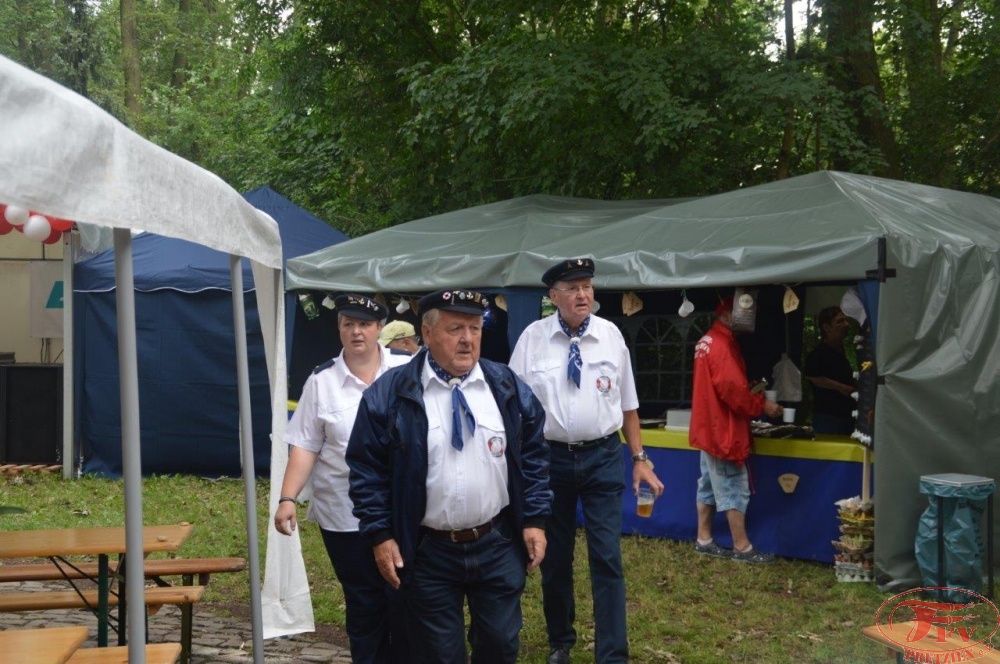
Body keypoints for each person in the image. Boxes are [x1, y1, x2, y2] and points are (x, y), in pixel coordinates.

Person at [346, 288, 552, 664]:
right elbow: (366, 471)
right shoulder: (389, 396)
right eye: (456, 329)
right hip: (429, 552)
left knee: (501, 647)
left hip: (496, 543)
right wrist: (380, 534)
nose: (468, 339)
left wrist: (535, 519)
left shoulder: (504, 386)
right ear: (427, 334)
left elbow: (535, 453)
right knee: (440, 655)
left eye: (475, 328)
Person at [509, 258, 663, 664]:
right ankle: (561, 642)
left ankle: (612, 654)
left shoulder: (611, 336)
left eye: (587, 286)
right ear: (553, 296)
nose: (582, 294)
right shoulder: (532, 339)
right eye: (573, 287)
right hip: (548, 462)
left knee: (607, 556)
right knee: (554, 558)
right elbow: (514, 409)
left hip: (602, 458)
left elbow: (628, 405)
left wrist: (640, 458)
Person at [274, 293, 412, 664]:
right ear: (339, 329)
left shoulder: (408, 368)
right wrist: (288, 498)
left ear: (380, 328)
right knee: (364, 601)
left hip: (403, 509)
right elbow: (305, 445)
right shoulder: (322, 381)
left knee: (406, 598)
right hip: (344, 512)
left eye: (364, 324)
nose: (356, 332)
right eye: (348, 324)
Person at [689, 295, 784, 564]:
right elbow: (734, 392)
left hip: (710, 427)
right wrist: (762, 404)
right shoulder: (721, 345)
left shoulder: (707, 341)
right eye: (744, 315)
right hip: (723, 429)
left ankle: (704, 539)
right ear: (728, 316)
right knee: (733, 485)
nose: (748, 321)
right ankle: (742, 548)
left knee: (707, 485)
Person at [805, 306, 858, 435]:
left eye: (845, 320)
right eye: (840, 321)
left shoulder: (840, 351)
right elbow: (813, 377)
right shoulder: (819, 353)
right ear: (826, 328)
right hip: (828, 419)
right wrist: (843, 388)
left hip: (846, 416)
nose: (846, 325)